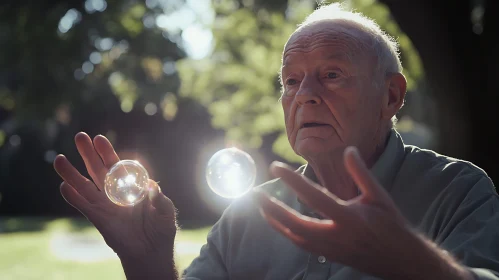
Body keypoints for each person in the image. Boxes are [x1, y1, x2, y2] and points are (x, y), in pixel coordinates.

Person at [53, 2, 499, 280]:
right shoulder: (246, 216)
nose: (305, 95)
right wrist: (147, 262)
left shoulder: (458, 191)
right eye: (291, 81)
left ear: (390, 95)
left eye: (331, 74)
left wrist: (414, 264)